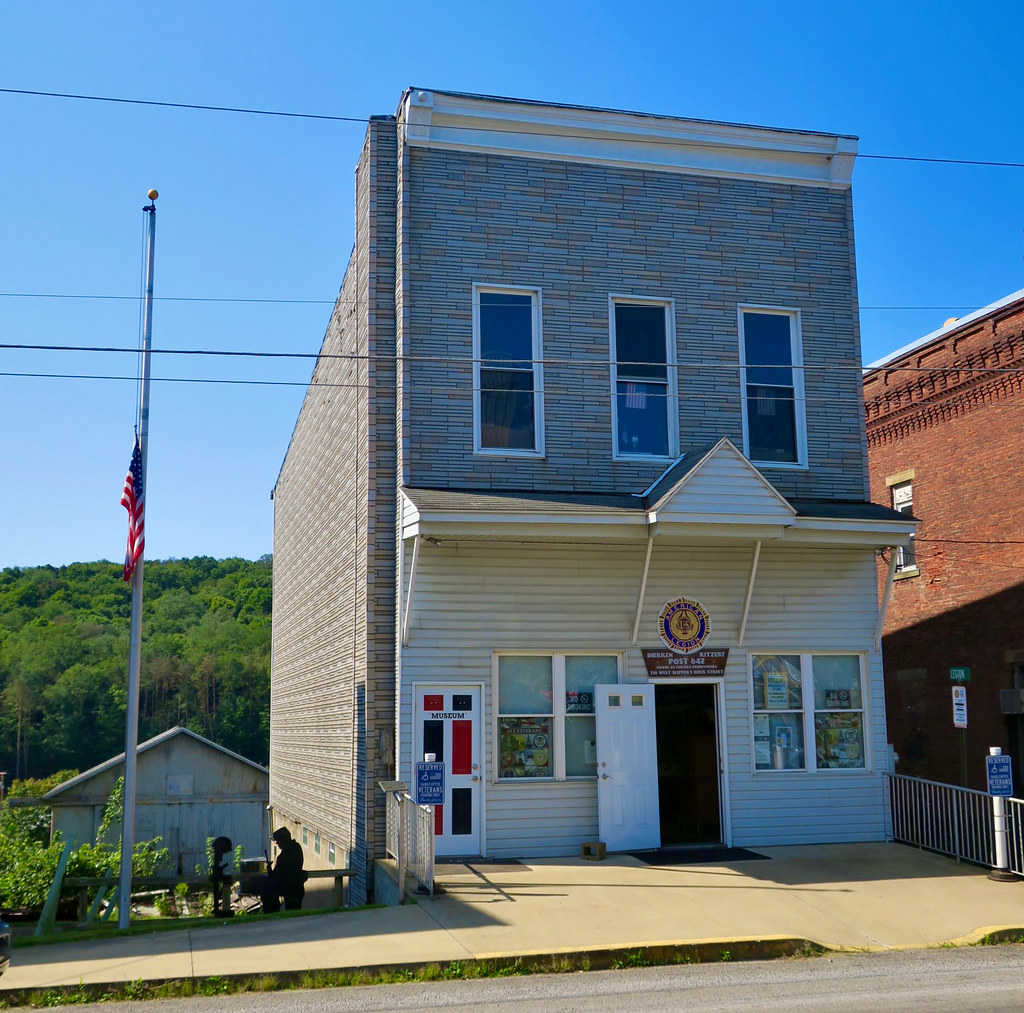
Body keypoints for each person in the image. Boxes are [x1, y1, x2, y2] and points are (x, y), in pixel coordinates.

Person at [258, 827, 306, 912]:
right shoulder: (297, 848)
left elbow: (276, 876)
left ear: (283, 840)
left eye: (278, 841)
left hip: (290, 889)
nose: (276, 843)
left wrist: (269, 869)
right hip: (297, 888)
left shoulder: (283, 857)